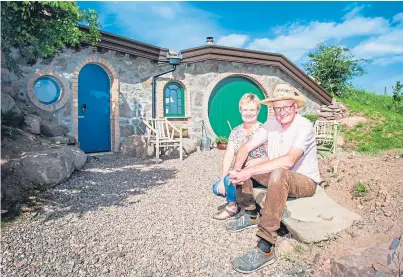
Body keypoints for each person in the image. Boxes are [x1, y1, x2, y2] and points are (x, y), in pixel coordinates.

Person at [227, 83, 321, 273]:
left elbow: (288, 160)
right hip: (279, 175)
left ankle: (265, 247)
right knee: (249, 163)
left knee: (277, 172)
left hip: (304, 180)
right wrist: (238, 171)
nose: (281, 112)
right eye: (277, 108)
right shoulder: (271, 123)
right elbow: (246, 147)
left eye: (286, 107)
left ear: (295, 106)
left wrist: (249, 172)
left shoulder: (304, 126)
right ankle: (251, 213)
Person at [212, 93, 268, 220]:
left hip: (260, 172)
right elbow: (228, 156)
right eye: (245, 109)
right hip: (240, 169)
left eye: (252, 110)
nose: (248, 113)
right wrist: (222, 179)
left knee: (232, 180)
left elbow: (273, 156)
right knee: (217, 188)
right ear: (240, 110)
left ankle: (234, 208)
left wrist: (258, 160)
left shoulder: (263, 130)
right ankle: (236, 202)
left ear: (258, 111)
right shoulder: (235, 131)